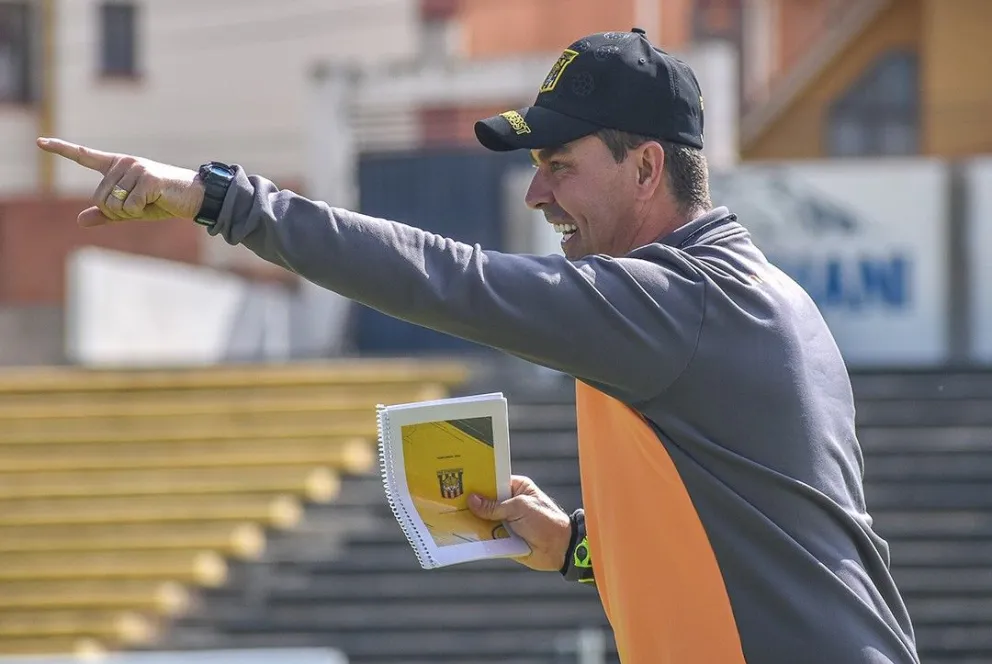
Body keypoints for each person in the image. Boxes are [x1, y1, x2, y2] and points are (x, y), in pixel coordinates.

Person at [37, 27, 920, 664]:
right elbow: (758, 531)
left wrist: (223, 201)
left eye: (560, 164)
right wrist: (580, 546)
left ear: (648, 167)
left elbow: (446, 277)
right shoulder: (744, 294)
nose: (536, 192)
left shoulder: (677, 303)